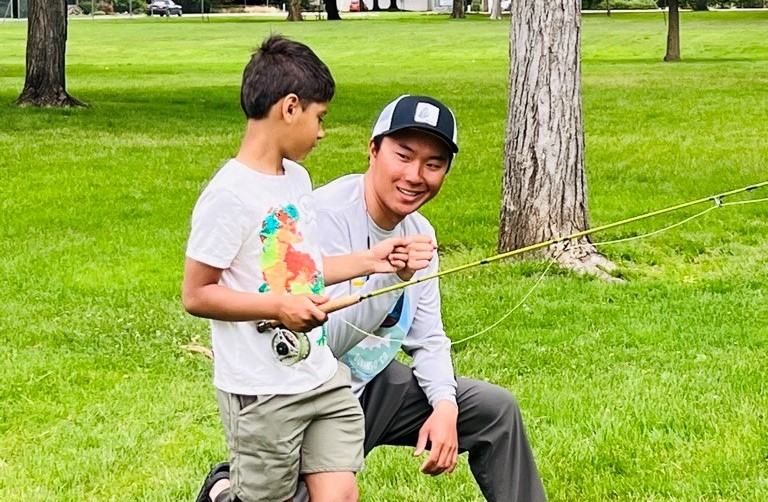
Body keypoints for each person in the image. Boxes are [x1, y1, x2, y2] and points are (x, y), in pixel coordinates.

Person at [196, 95, 548, 502]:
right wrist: (385, 273)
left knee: (494, 410)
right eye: (403, 155)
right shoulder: (318, 213)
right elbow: (313, 342)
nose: (416, 175)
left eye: (433, 165)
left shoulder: (420, 232)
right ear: (373, 149)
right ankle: (224, 488)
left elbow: (428, 338)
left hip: (374, 386)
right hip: (307, 389)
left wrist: (446, 407)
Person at [184, 37, 429, 502]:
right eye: (320, 118)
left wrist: (373, 260)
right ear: (290, 108)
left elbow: (304, 270)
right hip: (262, 392)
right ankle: (221, 493)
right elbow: (197, 295)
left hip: (320, 376)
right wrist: (279, 307)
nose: (320, 132)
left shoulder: (296, 180)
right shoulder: (229, 197)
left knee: (340, 493)